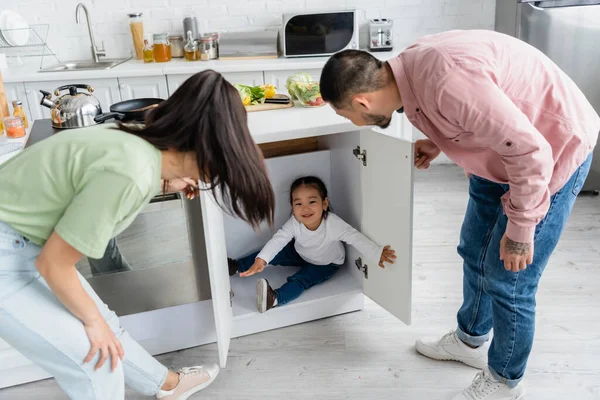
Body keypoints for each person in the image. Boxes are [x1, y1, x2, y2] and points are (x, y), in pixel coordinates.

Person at [319, 30, 599, 400]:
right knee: (475, 252)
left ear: (362, 101)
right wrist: (439, 142)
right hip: (501, 151)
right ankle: (469, 343)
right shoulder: (406, 73)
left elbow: (532, 153)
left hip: (551, 147)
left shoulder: (446, 79)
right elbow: (479, 110)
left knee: (510, 279)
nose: (353, 122)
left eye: (346, 114)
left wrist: (519, 229)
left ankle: (504, 381)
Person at [0, 70, 275, 400]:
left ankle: (166, 386)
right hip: (10, 257)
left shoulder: (137, 142)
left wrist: (169, 180)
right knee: (97, 361)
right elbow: (55, 265)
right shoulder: (132, 173)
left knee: (104, 325)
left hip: (21, 243)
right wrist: (92, 322)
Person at [228, 176, 397, 313]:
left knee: (301, 280)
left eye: (312, 201)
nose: (305, 208)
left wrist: (376, 253)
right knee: (273, 251)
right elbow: (278, 240)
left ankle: (274, 299)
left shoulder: (333, 224)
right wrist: (262, 260)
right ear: (292, 207)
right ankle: (237, 266)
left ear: (324, 204)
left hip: (325, 264)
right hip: (301, 253)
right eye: (298, 203)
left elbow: (355, 237)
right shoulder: (294, 222)